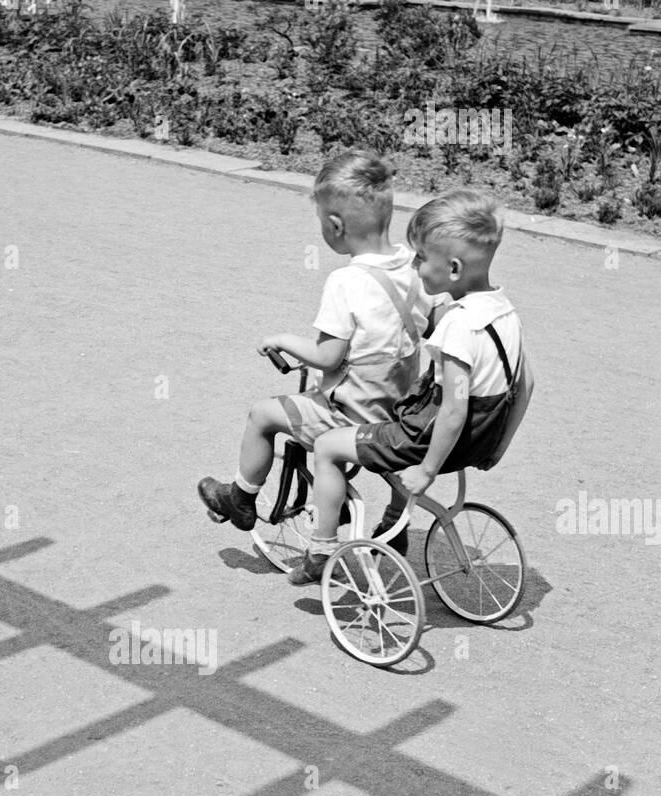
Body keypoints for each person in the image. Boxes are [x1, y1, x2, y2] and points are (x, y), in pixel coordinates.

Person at [285, 188, 534, 585]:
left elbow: (452, 408)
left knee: (328, 447)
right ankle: (393, 523)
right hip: (480, 439)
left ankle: (321, 549)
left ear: (453, 269)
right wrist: (498, 446)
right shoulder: (504, 311)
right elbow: (526, 384)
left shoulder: (457, 323)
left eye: (420, 257)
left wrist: (428, 470)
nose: (414, 266)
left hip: (425, 438)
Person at [198, 149, 438, 539]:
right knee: (329, 403)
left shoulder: (346, 282)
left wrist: (283, 341)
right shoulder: (413, 265)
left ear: (335, 225)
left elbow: (328, 358)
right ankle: (387, 520)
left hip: (352, 413)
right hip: (399, 410)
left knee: (262, 415)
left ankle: (240, 496)